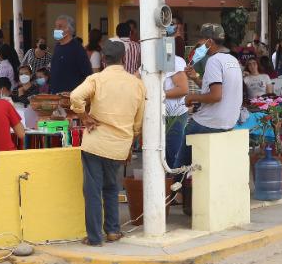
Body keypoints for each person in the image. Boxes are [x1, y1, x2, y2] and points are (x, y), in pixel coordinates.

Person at [69, 40, 145, 246]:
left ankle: (95, 237)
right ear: (123, 59)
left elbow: (75, 96)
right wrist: (130, 142)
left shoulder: (96, 79)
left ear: (103, 59)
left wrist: (84, 117)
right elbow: (138, 123)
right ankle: (112, 231)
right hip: (119, 145)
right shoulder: (137, 84)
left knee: (93, 191)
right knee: (111, 187)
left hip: (95, 142)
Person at [183, 24, 243, 164]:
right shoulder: (232, 60)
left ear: (209, 42)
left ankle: (178, 176)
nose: (199, 44)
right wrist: (195, 78)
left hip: (210, 121)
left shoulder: (213, 61)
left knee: (182, 158)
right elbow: (217, 89)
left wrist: (191, 97)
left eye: (201, 40)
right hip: (229, 121)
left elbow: (216, 96)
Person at [49, 15, 93, 93]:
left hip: (70, 96)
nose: (56, 29)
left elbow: (87, 74)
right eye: (56, 26)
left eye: (60, 26)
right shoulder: (57, 46)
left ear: (69, 29)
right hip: (55, 94)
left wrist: (76, 93)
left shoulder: (77, 49)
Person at [163, 45, 189, 171]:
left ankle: (177, 181)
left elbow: (183, 89)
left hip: (174, 115)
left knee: (174, 155)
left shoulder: (173, 61)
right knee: (162, 156)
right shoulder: (148, 60)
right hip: (159, 114)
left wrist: (159, 95)